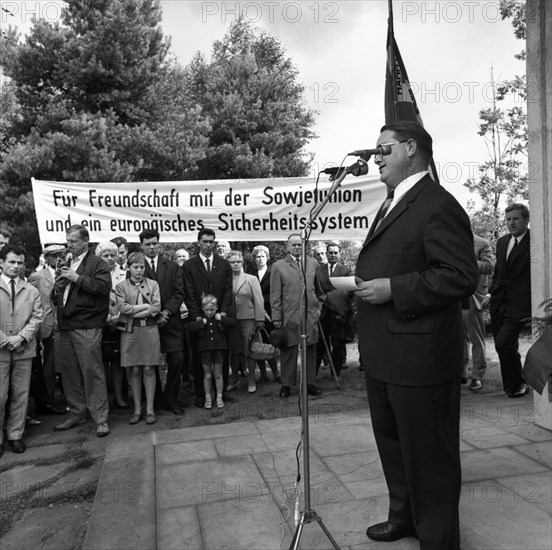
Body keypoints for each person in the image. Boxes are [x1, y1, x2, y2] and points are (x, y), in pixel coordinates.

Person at [355, 121, 478, 549]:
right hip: (385, 353)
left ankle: (439, 539)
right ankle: (404, 517)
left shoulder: (438, 203)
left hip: (422, 358)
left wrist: (394, 288)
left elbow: (460, 276)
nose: (376, 158)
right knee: (394, 446)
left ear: (411, 148)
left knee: (431, 458)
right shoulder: (392, 203)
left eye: (383, 149)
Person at [51, 225, 111, 437]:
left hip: (87, 326)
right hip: (66, 326)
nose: (69, 245)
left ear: (86, 241)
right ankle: (77, 413)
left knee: (92, 373)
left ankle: (101, 418)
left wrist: (76, 278)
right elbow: (58, 295)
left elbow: (103, 288)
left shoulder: (97, 263)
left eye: (73, 241)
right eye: (68, 241)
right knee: (69, 374)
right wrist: (57, 288)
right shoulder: (67, 262)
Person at [182, 228, 233, 408]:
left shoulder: (224, 265)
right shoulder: (189, 266)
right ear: (198, 242)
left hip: (219, 317)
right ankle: (201, 394)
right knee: (199, 358)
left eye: (212, 241)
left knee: (221, 356)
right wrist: (197, 316)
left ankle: (222, 393)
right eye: (205, 241)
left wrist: (223, 313)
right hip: (200, 319)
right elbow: (188, 293)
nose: (209, 245)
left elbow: (228, 292)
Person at [0, 245, 43, 455]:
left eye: (20, 263)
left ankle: (15, 435)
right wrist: (4, 339)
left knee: (20, 394)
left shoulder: (31, 290)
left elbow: (37, 317)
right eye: (12, 262)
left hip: (23, 350)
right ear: (1, 263)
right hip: (0, 351)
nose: (16, 266)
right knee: (0, 396)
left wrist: (21, 337)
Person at [270, 233, 322, 398]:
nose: (298, 247)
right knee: (289, 350)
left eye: (300, 244)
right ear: (287, 247)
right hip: (290, 315)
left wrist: (318, 308)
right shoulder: (278, 266)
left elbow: (319, 291)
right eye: (294, 245)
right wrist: (277, 317)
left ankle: (310, 383)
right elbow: (275, 295)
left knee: (311, 349)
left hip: (310, 315)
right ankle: (286, 384)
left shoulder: (313, 263)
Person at [489, 203, 532, 398]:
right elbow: (499, 272)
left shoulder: (536, 241)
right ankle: (513, 385)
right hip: (499, 302)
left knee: (503, 343)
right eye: (508, 219)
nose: (511, 223)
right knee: (507, 346)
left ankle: (520, 382)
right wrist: (489, 295)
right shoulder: (502, 241)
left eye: (516, 219)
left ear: (526, 220)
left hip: (520, 303)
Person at [115, 253, 161, 425]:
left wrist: (136, 310)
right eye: (135, 267)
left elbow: (156, 307)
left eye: (142, 267)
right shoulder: (121, 286)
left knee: (149, 368)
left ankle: (150, 410)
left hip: (149, 329)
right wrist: (145, 307)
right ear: (128, 267)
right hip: (130, 331)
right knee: (134, 369)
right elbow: (123, 308)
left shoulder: (153, 284)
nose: (139, 270)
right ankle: (137, 410)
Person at [28, 244, 68, 415]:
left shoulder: (69, 273)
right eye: (54, 255)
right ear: (47, 258)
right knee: (49, 366)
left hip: (67, 324)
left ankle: (69, 399)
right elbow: (31, 302)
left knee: (67, 364)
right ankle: (47, 401)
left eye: (61, 255)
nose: (58, 258)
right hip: (47, 325)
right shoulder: (37, 276)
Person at [186, 294, 235, 409]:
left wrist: (221, 318)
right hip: (205, 350)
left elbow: (232, 323)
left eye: (212, 309)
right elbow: (189, 327)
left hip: (218, 349)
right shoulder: (200, 319)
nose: (209, 312)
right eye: (207, 310)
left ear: (216, 307)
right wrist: (201, 323)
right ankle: (208, 398)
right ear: (202, 308)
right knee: (207, 375)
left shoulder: (219, 317)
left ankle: (219, 397)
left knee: (218, 374)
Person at [227, 250, 265, 393]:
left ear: (242, 262)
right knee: (234, 351)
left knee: (250, 350)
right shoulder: (225, 279)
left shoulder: (251, 279)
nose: (235, 264)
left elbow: (259, 299)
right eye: (232, 262)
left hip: (248, 319)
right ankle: (235, 379)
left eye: (238, 261)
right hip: (231, 320)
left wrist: (259, 319)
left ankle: (251, 380)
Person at [96, 241, 128, 409]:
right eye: (105, 255)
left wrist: (118, 316)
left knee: (117, 361)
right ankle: (105, 398)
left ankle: (118, 396)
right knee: (101, 362)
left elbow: (129, 297)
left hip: (119, 322)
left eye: (112, 255)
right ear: (99, 257)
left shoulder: (124, 274)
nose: (109, 258)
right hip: (99, 323)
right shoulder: (93, 275)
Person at [315, 242, 355, 378]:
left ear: (339, 254)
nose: (333, 255)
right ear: (326, 254)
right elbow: (314, 290)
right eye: (330, 252)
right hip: (322, 314)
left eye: (335, 252)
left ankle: (335, 373)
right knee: (319, 344)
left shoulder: (346, 271)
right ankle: (312, 375)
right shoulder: (318, 271)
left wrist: (328, 297)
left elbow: (348, 292)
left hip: (338, 314)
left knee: (337, 345)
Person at [462, 234, 495, 391]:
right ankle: (461, 373)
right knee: (458, 338)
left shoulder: (482, 243)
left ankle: (477, 376)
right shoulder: (450, 241)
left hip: (474, 296)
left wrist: (467, 263)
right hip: (454, 296)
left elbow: (489, 266)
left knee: (477, 338)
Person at [248, 245, 280, 384]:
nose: (260, 259)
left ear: (267, 257)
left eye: (262, 256)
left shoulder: (273, 272)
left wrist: (260, 299)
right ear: (254, 259)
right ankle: (263, 374)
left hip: (270, 313)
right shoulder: (251, 274)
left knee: (269, 342)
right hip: (254, 313)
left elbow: (276, 293)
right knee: (257, 344)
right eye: (257, 256)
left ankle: (276, 373)